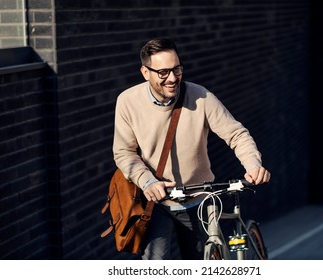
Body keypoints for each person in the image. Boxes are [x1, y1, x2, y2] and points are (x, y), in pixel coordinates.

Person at [113, 38, 271, 260]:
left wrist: (253, 165)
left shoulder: (201, 97)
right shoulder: (128, 101)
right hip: (157, 203)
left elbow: (236, 135)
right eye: (163, 72)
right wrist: (147, 182)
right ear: (145, 72)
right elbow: (124, 152)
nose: (172, 78)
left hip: (201, 201)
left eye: (177, 69)